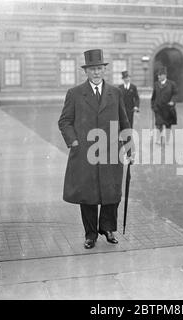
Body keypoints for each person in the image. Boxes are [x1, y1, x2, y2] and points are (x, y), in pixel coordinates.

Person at [58, 49, 132, 250]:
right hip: (85, 153)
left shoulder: (115, 93)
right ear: (86, 72)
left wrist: (129, 148)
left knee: (111, 192)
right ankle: (90, 234)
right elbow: (64, 121)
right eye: (92, 69)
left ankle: (108, 229)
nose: (96, 73)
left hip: (111, 152)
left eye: (99, 69)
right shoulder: (74, 94)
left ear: (104, 70)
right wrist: (74, 142)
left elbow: (125, 121)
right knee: (88, 195)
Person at [151, 67, 178, 145]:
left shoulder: (172, 84)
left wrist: (172, 101)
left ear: (164, 75)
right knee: (159, 124)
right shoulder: (156, 84)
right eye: (158, 75)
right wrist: (153, 106)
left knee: (168, 125)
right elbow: (153, 96)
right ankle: (159, 139)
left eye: (160, 75)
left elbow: (175, 94)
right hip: (158, 108)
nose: (158, 77)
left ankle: (167, 140)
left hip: (168, 108)